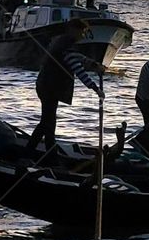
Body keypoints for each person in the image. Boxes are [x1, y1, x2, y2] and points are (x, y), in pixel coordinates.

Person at [25, 17, 104, 158]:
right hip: (49, 88)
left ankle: (47, 154)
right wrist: (96, 89)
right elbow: (78, 70)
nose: (83, 35)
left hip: (46, 86)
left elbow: (77, 57)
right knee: (47, 123)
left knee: (48, 122)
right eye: (82, 32)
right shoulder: (66, 45)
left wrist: (92, 63)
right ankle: (33, 154)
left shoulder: (62, 42)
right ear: (73, 30)